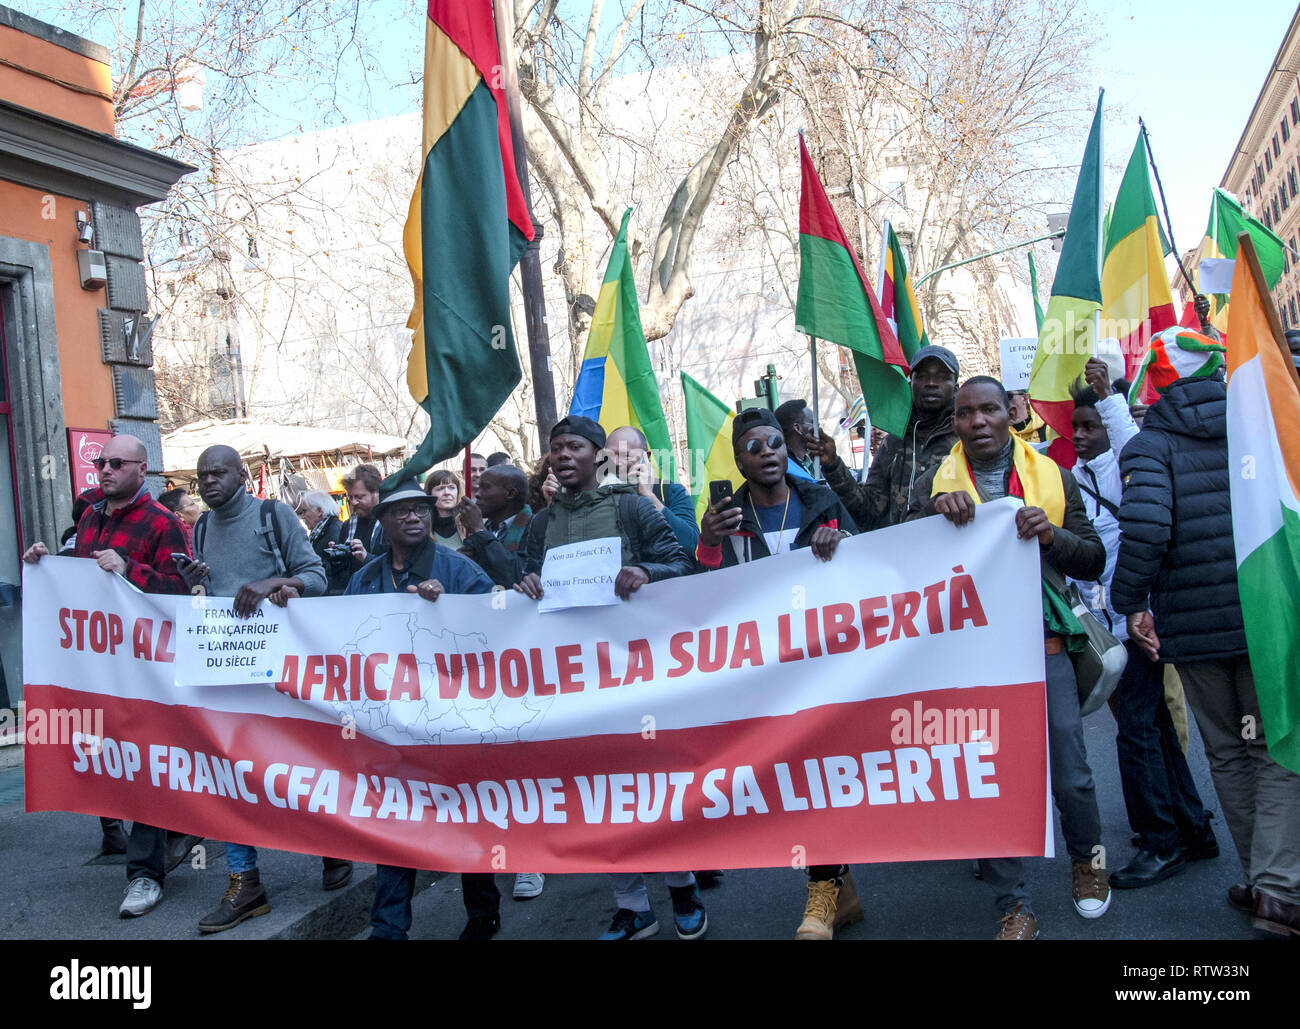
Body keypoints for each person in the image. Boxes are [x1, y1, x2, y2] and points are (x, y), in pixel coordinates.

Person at [1111, 330, 1300, 937]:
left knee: (1229, 750)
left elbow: (1146, 529)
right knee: (1274, 748)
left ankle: (1264, 882)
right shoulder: (1264, 425)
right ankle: (1276, 888)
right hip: (1266, 620)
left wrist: (1130, 602)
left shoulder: (1150, 446)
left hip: (1194, 632)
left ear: (1158, 381)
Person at [910, 376, 1110, 940]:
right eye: (966, 413)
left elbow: (1093, 559)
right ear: (955, 422)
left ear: (1010, 414)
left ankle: (1088, 867)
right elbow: (897, 561)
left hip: (1044, 648)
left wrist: (1052, 538)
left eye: (989, 410)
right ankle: (1013, 904)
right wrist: (929, 517)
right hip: (973, 659)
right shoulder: (933, 483)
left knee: (1070, 775)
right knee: (989, 781)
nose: (977, 422)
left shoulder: (1053, 476)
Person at [515, 416, 701, 939]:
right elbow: (528, 579)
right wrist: (526, 580)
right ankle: (632, 904)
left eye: (574, 446)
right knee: (597, 795)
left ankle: (683, 887)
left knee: (651, 789)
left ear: (597, 455)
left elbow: (680, 564)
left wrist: (648, 573)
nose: (563, 456)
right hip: (574, 682)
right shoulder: (539, 524)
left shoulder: (632, 507)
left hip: (637, 674)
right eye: (555, 449)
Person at [697, 406, 859, 939]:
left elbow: (874, 564)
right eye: (755, 448)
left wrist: (842, 546)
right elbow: (699, 594)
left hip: (825, 664)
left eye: (775, 443)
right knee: (797, 779)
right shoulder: (726, 515)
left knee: (822, 775)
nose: (769, 453)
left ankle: (821, 893)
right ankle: (842, 887)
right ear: (739, 462)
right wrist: (709, 542)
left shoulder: (822, 501)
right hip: (765, 673)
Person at [177, 445, 348, 933]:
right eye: (201, 476)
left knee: (298, 765)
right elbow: (210, 595)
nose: (208, 482)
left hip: (281, 668)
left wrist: (273, 581)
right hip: (227, 667)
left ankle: (332, 846)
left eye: (217, 473)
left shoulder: (274, 515)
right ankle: (244, 880)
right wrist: (194, 583)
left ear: (241, 475)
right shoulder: (203, 527)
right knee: (228, 770)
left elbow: (316, 577)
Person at [22, 434, 190, 918]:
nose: (105, 469)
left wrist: (130, 569)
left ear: (143, 470)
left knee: (142, 764)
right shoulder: (90, 515)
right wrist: (45, 564)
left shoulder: (164, 524)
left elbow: (181, 593)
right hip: (97, 666)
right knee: (109, 756)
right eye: (102, 461)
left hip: (144, 671)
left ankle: (145, 875)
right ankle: (162, 831)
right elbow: (77, 582)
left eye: (117, 462)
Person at [1069, 359, 1215, 890]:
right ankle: (1193, 829)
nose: (1080, 436)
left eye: (1091, 426)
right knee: (1151, 727)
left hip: (1140, 620)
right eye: (1076, 428)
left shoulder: (1128, 462)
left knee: (1134, 732)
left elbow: (1128, 434)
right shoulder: (1077, 478)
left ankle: (1160, 842)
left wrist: (1108, 394)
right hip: (1112, 625)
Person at [343, 477, 507, 939]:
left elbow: (498, 627)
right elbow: (339, 637)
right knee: (396, 823)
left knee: (465, 818)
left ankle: (482, 914)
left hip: (453, 722)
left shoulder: (458, 570)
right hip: (394, 725)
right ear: (383, 521)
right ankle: (388, 927)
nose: (414, 516)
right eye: (402, 511)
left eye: (421, 509)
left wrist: (452, 607)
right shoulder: (366, 578)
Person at [815, 344, 960, 531]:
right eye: (922, 376)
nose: (931, 383)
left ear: (956, 387)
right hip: (904, 553)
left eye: (942, 377)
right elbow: (868, 513)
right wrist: (833, 465)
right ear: (910, 384)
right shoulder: (893, 442)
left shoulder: (969, 437)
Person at [604, 425, 699, 553]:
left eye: (625, 455)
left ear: (646, 457)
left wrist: (649, 496)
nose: (616, 462)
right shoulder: (598, 494)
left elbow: (690, 544)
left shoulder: (671, 491)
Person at [458, 465, 533, 589]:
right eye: (478, 488)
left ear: (510, 493)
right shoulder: (488, 527)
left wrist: (478, 530)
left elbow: (515, 576)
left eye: (485, 488)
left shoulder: (534, 526)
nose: (477, 494)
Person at [298, 490, 350, 595]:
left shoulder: (335, 530)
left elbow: (335, 573)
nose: (302, 516)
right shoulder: (320, 532)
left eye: (304, 511)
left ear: (319, 511)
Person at [341, 464, 389, 568]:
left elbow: (395, 566)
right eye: (350, 497)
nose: (353, 502)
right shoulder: (348, 525)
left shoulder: (390, 524)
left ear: (376, 493)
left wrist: (366, 558)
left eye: (359, 497)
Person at [774, 399, 818, 478]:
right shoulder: (785, 471)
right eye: (814, 423)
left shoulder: (815, 461)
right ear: (798, 428)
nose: (819, 429)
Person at [424, 469, 466, 548]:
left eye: (451, 487)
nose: (447, 493)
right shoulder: (423, 526)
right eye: (440, 488)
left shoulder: (468, 523)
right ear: (430, 494)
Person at [158, 488, 200, 554]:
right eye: (192, 504)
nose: (197, 506)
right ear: (179, 515)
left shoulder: (164, 538)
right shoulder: (198, 535)